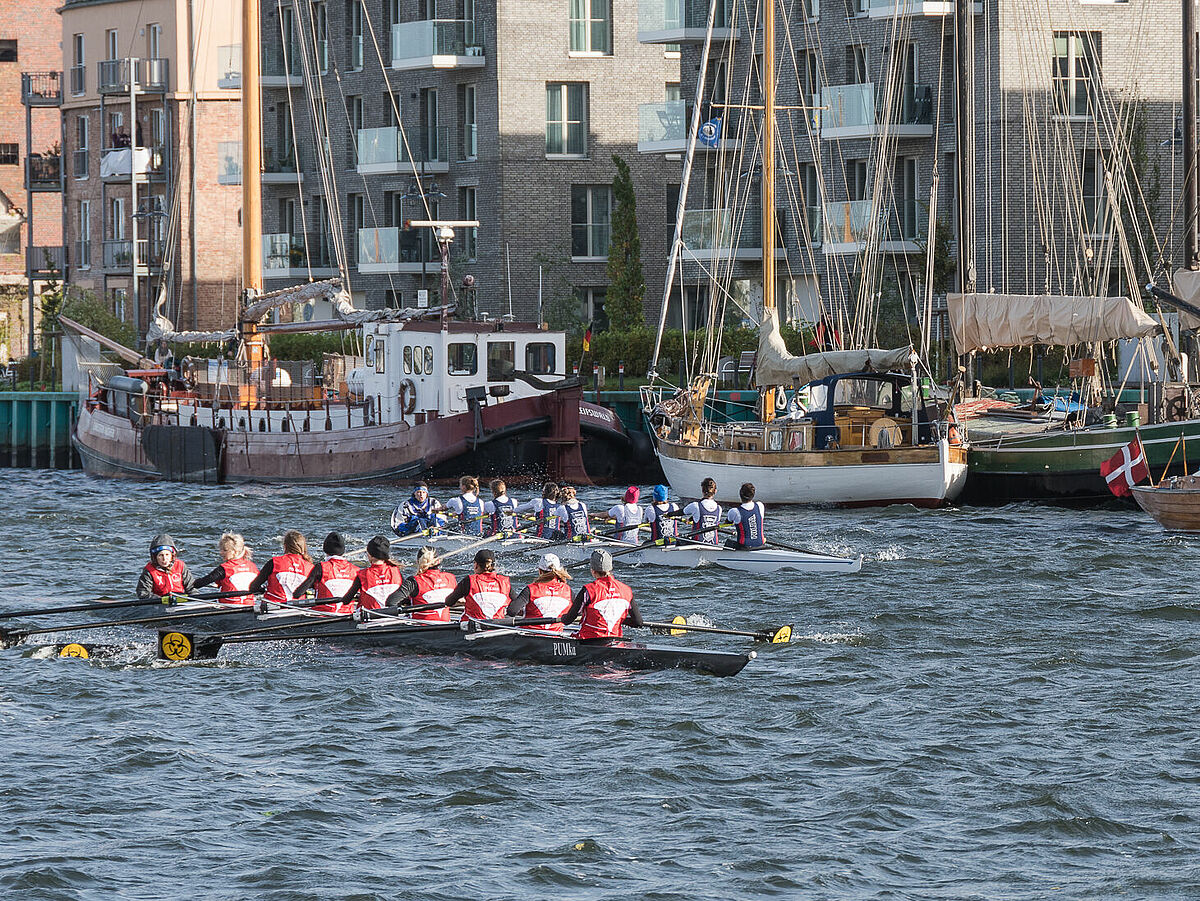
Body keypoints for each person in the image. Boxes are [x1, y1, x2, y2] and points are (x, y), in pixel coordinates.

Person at [559, 549, 643, 640]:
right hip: (616, 641)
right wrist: (618, 619)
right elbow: (638, 622)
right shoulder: (627, 590)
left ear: (593, 571)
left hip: (588, 641)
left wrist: (562, 618)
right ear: (610, 569)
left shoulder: (588, 590)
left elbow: (568, 620)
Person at [291, 532, 360, 614]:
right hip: (347, 614)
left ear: (325, 550)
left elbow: (298, 594)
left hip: (323, 614)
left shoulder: (320, 567)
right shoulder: (356, 570)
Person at [443, 549, 517, 622]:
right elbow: (516, 602)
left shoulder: (469, 580)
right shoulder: (504, 582)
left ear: (476, 565)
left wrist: (465, 602)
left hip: (473, 626)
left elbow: (449, 602)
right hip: (497, 625)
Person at [386, 546, 457, 622]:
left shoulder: (413, 581)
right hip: (446, 625)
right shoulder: (450, 578)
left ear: (418, 561)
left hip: (420, 626)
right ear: (438, 561)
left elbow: (391, 602)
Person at [247, 530, 316, 605]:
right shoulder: (310, 567)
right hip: (299, 608)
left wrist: (262, 590)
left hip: (273, 606)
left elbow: (253, 587)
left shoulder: (274, 562)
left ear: (285, 546)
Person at [507, 553, 573, 632]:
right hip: (556, 635)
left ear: (540, 571)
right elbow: (578, 612)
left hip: (529, 634)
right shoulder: (568, 590)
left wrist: (523, 611)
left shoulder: (531, 589)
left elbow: (512, 611)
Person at [337, 535, 404, 611]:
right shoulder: (396, 571)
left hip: (371, 617)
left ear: (370, 555)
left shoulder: (363, 574)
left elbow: (346, 601)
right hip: (393, 616)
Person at [191, 532, 259, 603]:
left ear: (235, 552)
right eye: (221, 549)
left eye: (225, 550)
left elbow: (200, 583)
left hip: (228, 605)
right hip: (249, 604)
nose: (221, 553)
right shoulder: (252, 566)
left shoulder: (225, 568)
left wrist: (187, 583)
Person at [136, 533, 195, 599]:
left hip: (181, 600)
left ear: (172, 556)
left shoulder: (180, 566)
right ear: (155, 557)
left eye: (167, 555)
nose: (164, 559)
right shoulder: (149, 571)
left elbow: (191, 588)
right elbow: (143, 593)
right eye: (161, 555)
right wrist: (161, 599)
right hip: (159, 602)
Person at [725, 482, 766, 550]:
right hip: (760, 544)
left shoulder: (734, 511)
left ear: (740, 495)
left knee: (727, 543)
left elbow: (726, 524)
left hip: (744, 547)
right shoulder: (760, 505)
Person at [682, 477, 722, 546]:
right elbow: (703, 515)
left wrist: (668, 514)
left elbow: (681, 512)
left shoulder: (695, 505)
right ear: (715, 491)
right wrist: (691, 519)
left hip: (697, 544)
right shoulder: (719, 508)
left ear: (702, 490)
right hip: (714, 545)